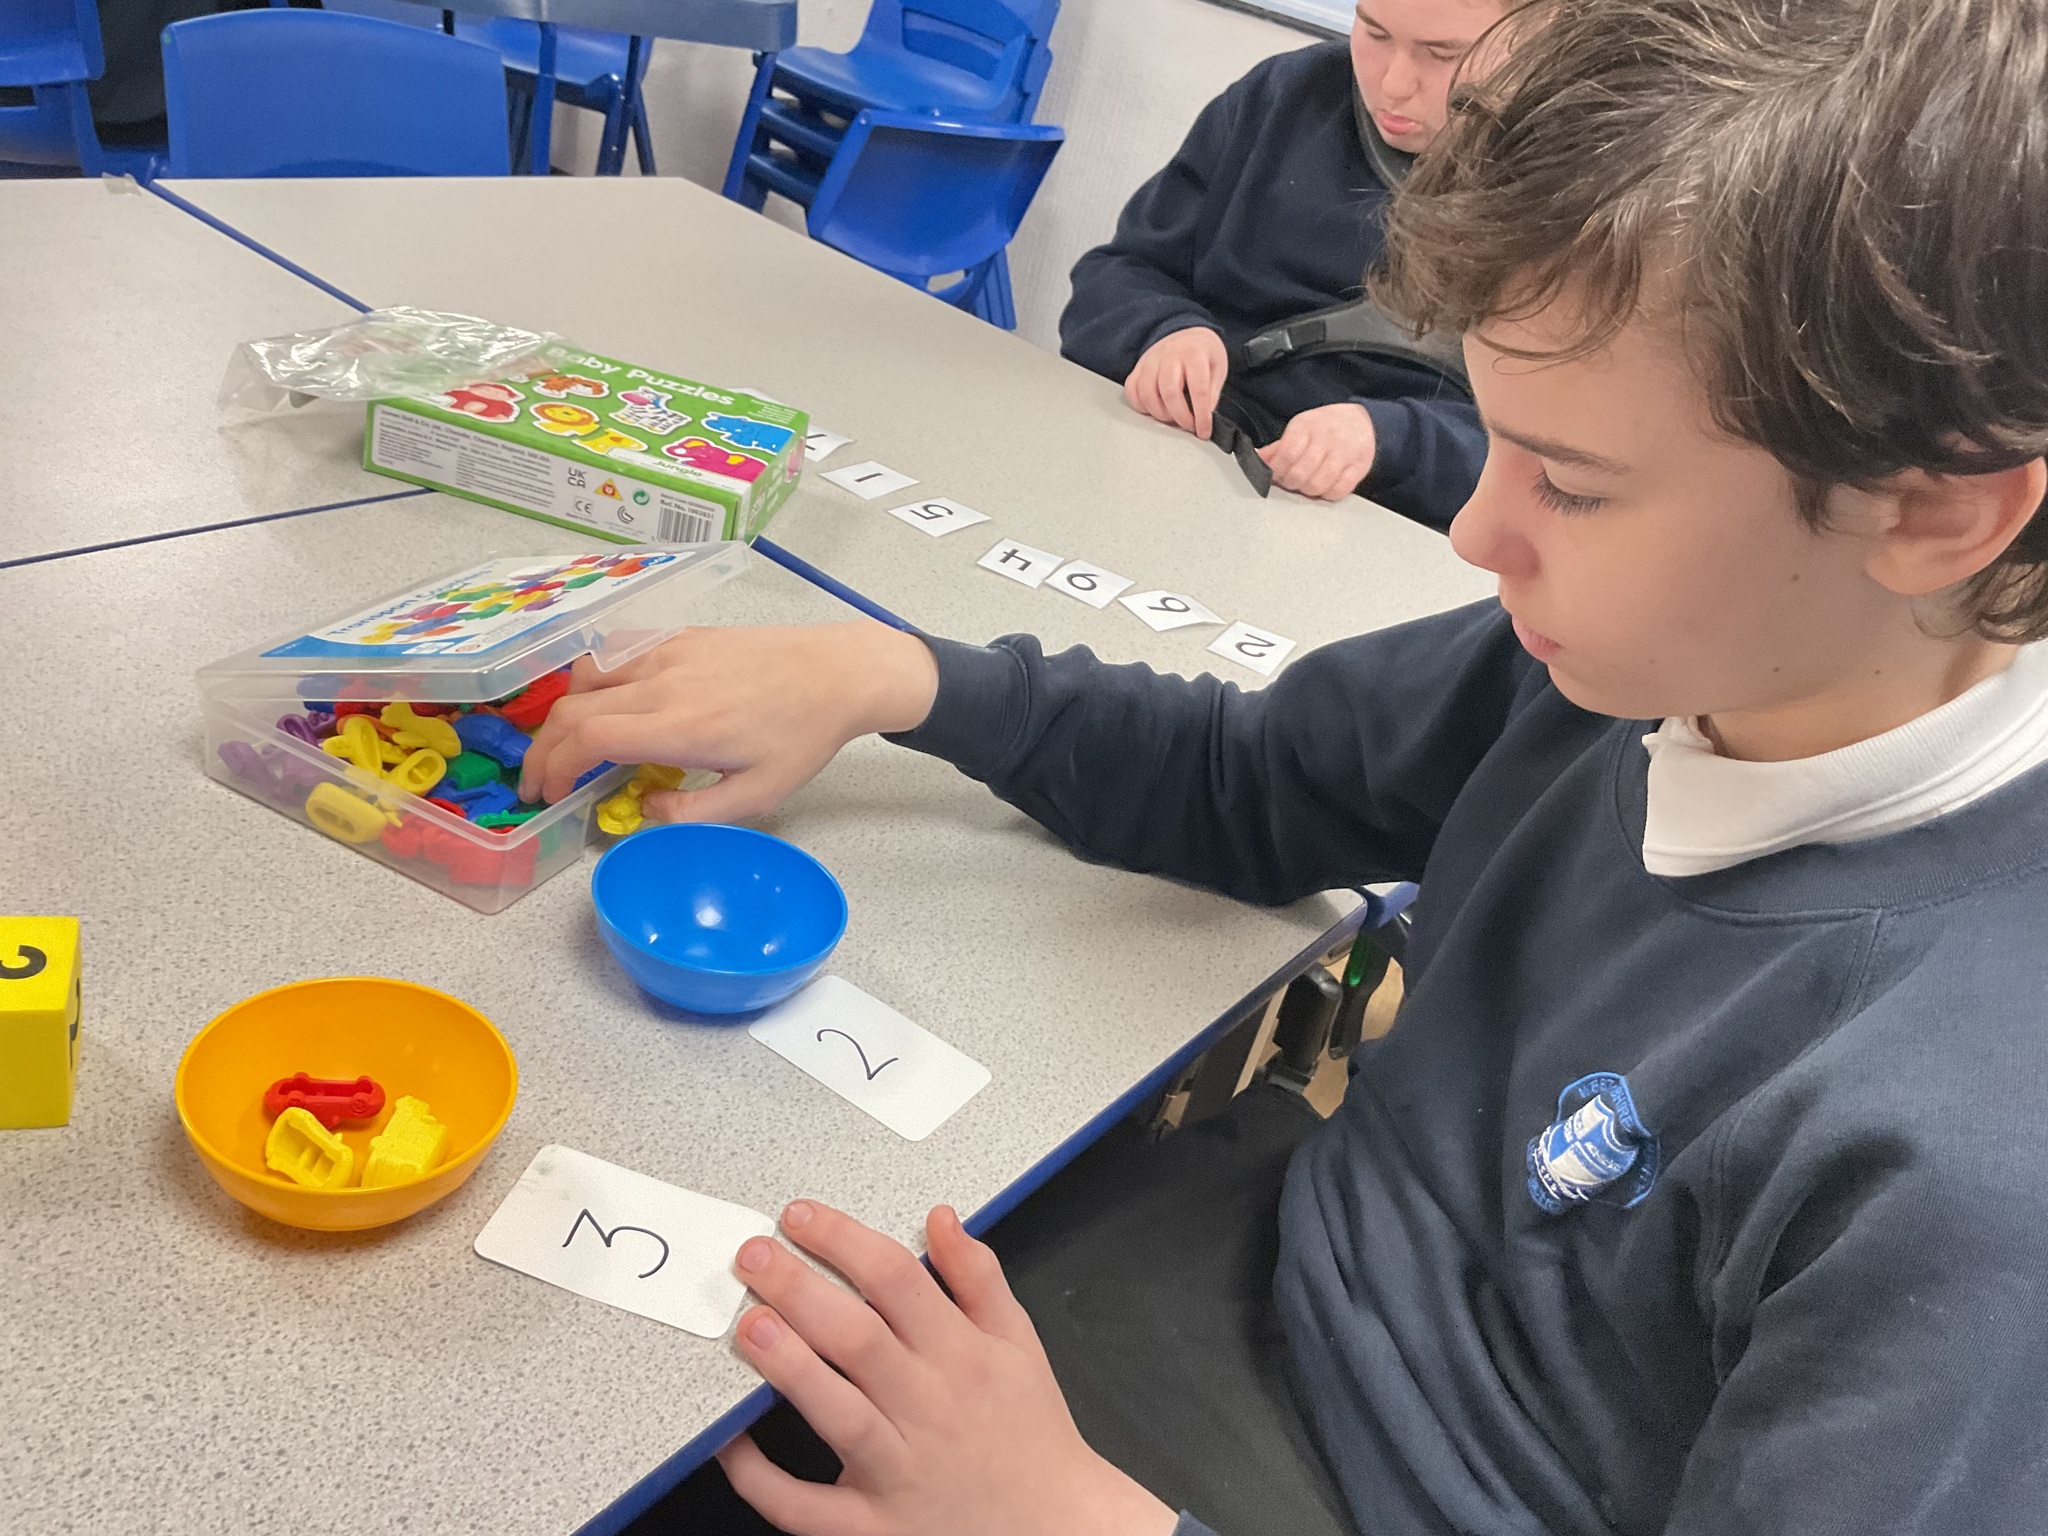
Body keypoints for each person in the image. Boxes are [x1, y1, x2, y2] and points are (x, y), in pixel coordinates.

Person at [532, 0, 2048, 1530]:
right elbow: (1256, 778)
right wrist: (894, 677)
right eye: (1497, 442)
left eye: (1574, 487)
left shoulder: (1973, 1170)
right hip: (1258, 1275)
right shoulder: (1658, 666)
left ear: (1931, 513)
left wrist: (1078, 1521)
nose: (1478, 533)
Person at [1057, 0, 1511, 528]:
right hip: (1185, 460)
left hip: (1385, 524)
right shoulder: (1282, 96)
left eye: (1441, 54)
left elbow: (1557, 470)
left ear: (1537, 35)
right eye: (1374, 32)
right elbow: (1116, 276)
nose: (1392, 84)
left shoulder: (1575, 190)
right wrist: (1162, 332)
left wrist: (1390, 439)